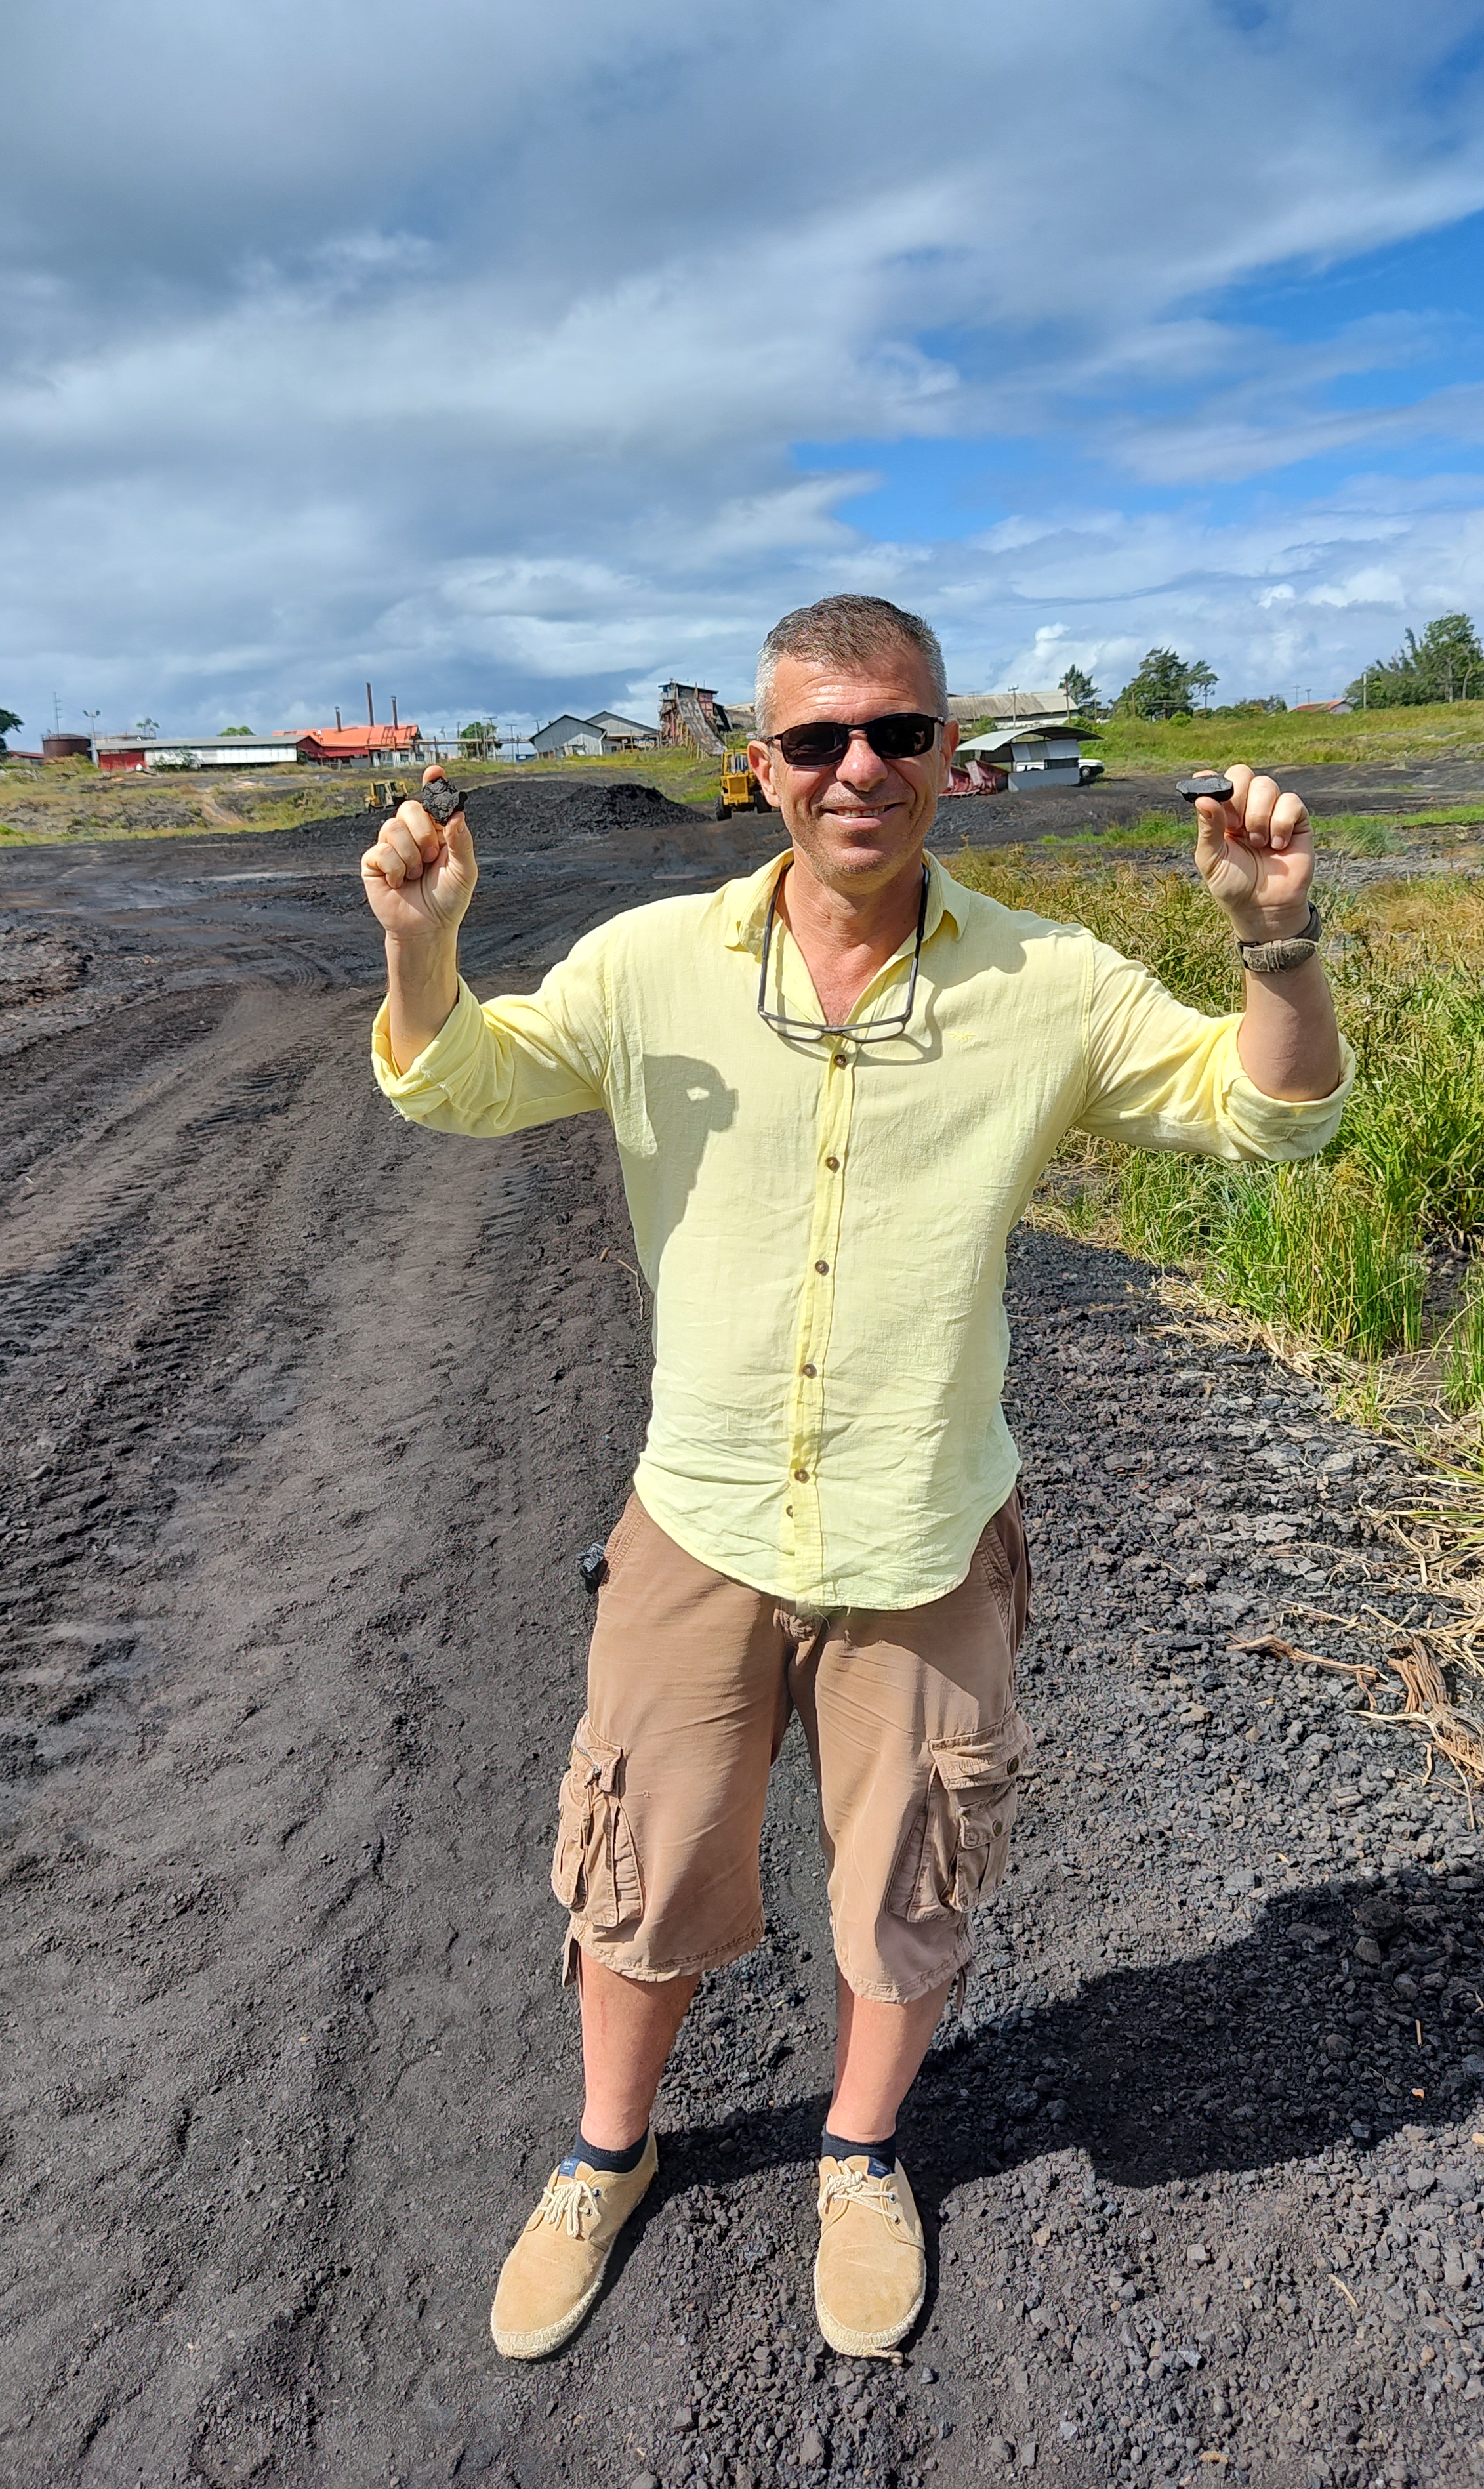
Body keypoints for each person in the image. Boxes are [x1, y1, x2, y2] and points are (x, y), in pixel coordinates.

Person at [360, 595, 1352, 2364]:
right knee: (640, 1869)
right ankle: (606, 2155)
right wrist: (423, 948)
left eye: (896, 732)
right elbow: (455, 1084)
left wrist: (1278, 943)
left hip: (925, 1529)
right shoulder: (648, 964)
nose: (859, 770)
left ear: (949, 755)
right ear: (761, 767)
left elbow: (1271, 1116)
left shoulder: (1047, 984)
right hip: (702, 1520)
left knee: (913, 1878)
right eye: (817, 740)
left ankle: (861, 2152)